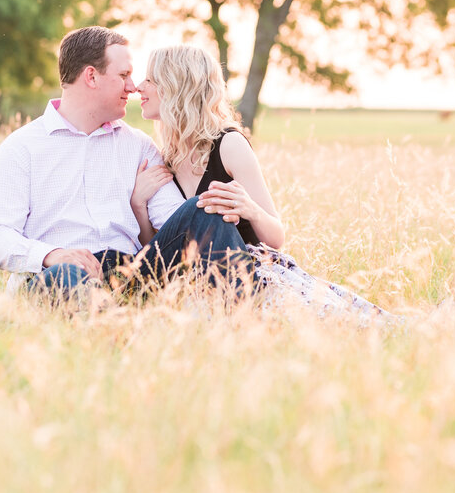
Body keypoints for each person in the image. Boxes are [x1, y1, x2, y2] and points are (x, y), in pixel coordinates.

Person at [0, 27, 254, 301]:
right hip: (63, 273)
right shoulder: (21, 148)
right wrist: (52, 255)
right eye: (124, 75)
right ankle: (110, 329)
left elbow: (173, 219)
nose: (133, 87)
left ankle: (244, 316)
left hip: (133, 274)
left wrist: (161, 214)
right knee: (67, 278)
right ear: (91, 76)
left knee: (201, 209)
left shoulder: (138, 146)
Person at [134, 45, 390, 320]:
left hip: (249, 273)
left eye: (150, 79)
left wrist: (250, 209)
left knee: (351, 322)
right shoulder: (168, 157)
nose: (139, 86)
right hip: (195, 283)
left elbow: (276, 237)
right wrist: (138, 204)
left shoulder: (229, 145)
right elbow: (164, 248)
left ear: (177, 86)